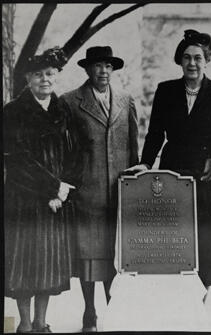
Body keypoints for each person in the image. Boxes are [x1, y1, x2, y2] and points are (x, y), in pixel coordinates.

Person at [127, 30, 211, 292]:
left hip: (206, 175)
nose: (192, 63)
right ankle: (176, 297)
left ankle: (205, 296)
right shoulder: (166, 90)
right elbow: (154, 133)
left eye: (197, 57)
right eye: (186, 57)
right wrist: (146, 164)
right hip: (172, 172)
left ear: (206, 60)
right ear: (180, 61)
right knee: (174, 237)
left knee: (206, 238)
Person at [60, 46, 139, 332]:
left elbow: (133, 148)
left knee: (116, 253)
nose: (103, 71)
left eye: (108, 66)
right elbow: (63, 149)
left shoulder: (126, 100)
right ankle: (90, 312)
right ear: (87, 69)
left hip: (119, 191)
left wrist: (134, 180)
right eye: (97, 66)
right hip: (87, 191)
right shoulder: (70, 102)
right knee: (89, 255)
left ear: (113, 69)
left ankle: (113, 310)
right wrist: (70, 184)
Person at [4, 48, 75, 333]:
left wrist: (64, 188)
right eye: (38, 75)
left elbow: (73, 152)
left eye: (49, 74)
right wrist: (52, 188)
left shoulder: (61, 108)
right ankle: (23, 323)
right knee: (24, 262)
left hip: (56, 200)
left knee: (48, 262)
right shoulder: (13, 111)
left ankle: (41, 322)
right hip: (24, 198)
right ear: (27, 79)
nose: (45, 80)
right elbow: (17, 159)